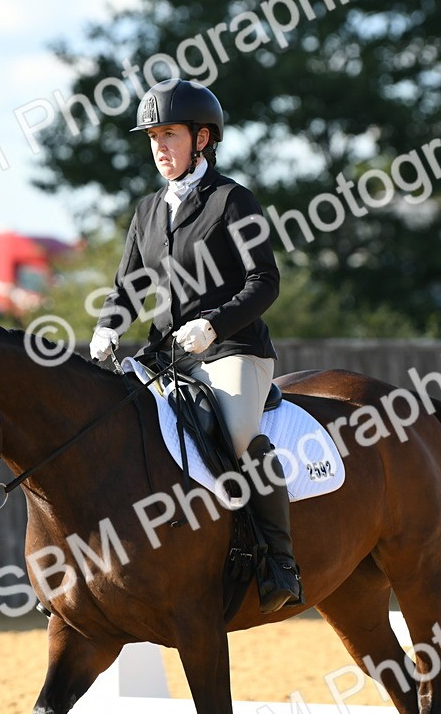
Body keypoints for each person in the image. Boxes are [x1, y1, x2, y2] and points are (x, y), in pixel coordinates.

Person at [89, 79, 302, 613]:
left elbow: (265, 281)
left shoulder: (233, 201)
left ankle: (279, 561)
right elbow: (129, 287)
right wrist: (109, 326)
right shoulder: (146, 210)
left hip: (233, 353)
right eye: (153, 137)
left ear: (202, 138)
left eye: (171, 135)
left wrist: (215, 324)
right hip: (168, 358)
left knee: (235, 438)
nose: (160, 147)